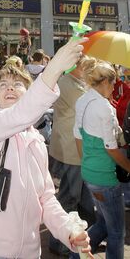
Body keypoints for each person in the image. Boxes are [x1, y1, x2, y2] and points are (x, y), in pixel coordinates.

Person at [0, 38, 93, 259]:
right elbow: (22, 113)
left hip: (29, 253)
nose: (10, 87)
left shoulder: (36, 141)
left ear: (28, 92)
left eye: (18, 84)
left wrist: (68, 231)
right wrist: (55, 67)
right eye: (3, 85)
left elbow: (47, 198)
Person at [74, 58, 130, 259]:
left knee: (104, 223)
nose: (115, 87)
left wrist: (87, 163)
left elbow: (78, 137)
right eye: (113, 82)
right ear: (104, 82)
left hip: (89, 172)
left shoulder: (83, 99)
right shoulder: (104, 107)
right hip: (105, 178)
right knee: (116, 232)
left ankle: (76, 255)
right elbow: (112, 149)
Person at [48, 56, 95, 256]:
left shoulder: (76, 82)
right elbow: (85, 105)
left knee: (85, 198)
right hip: (70, 150)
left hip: (77, 150)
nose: (89, 72)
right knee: (69, 197)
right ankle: (57, 242)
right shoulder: (66, 82)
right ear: (76, 66)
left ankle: (91, 236)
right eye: (87, 67)